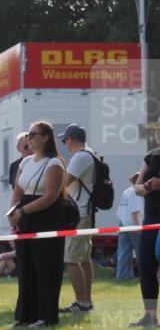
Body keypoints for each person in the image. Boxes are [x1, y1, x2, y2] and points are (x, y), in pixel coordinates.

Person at [8, 120, 66, 328]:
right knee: (25, 267)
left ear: (46, 137)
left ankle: (46, 316)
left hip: (47, 218)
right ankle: (25, 316)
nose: (29, 138)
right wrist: (13, 210)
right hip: (25, 218)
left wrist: (23, 210)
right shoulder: (25, 163)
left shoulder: (54, 163)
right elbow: (18, 191)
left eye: (34, 134)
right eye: (28, 135)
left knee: (46, 268)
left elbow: (50, 196)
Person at [58, 124, 96, 313]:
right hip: (86, 211)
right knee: (84, 259)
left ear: (71, 140)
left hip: (78, 213)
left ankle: (81, 302)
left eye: (65, 140)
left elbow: (64, 182)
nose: (65, 144)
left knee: (72, 259)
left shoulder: (80, 156)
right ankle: (86, 301)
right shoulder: (91, 154)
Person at [131, 118, 160, 328]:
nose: (157, 132)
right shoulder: (151, 156)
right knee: (146, 264)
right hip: (151, 217)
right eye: (157, 128)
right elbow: (137, 186)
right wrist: (146, 187)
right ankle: (150, 316)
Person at [116, 172, 144, 280]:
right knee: (140, 251)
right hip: (133, 225)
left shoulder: (126, 191)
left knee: (123, 252)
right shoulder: (135, 193)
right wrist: (137, 226)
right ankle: (145, 275)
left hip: (123, 224)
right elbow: (135, 212)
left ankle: (123, 276)